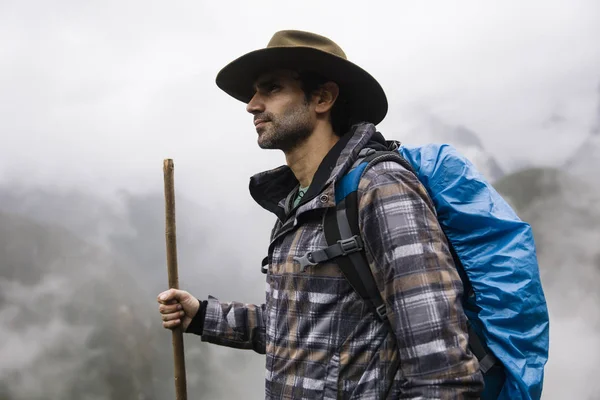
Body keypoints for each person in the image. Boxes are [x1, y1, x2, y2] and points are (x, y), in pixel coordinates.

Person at [157, 30, 484, 399]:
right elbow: (300, 331)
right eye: (254, 93)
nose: (251, 105)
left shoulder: (381, 189)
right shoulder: (299, 203)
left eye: (271, 89)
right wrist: (200, 315)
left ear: (322, 98)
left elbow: (443, 373)